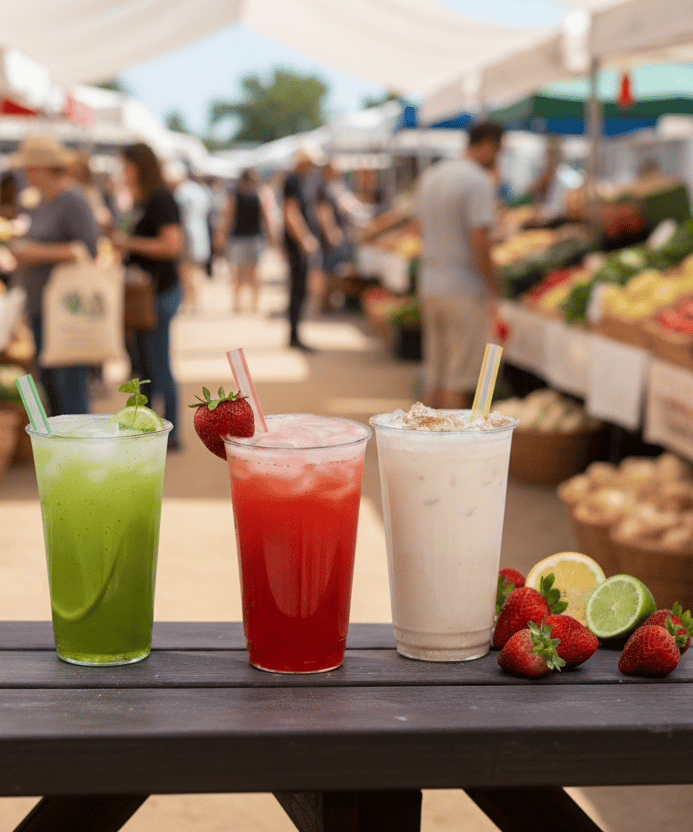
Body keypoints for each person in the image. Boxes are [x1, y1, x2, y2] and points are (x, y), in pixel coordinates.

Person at [416, 120, 504, 410]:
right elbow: (481, 241)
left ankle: (425, 447)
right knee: (458, 380)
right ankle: (449, 453)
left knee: (436, 377)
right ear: (489, 145)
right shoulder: (477, 181)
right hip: (463, 289)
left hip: (431, 284)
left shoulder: (431, 176)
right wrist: (494, 289)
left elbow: (420, 230)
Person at [9, 135, 99, 416]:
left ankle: (80, 454)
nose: (26, 174)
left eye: (30, 168)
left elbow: (88, 249)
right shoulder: (42, 201)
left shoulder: (72, 199)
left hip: (64, 309)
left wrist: (35, 252)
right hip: (42, 305)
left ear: (45, 168)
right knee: (51, 386)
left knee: (69, 387)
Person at [107, 142, 184, 449]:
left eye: (126, 165)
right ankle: (152, 426)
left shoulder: (160, 199)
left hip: (158, 292)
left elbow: (171, 246)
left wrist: (128, 242)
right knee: (149, 366)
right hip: (149, 293)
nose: (123, 171)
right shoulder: (146, 199)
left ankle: (171, 432)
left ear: (138, 166)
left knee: (158, 364)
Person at [214, 168, 272, 314]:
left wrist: (221, 235)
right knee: (254, 272)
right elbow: (266, 218)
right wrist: (271, 237)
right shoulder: (259, 195)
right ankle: (254, 303)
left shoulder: (235, 196)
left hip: (239, 238)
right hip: (254, 237)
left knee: (238, 272)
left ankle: (237, 303)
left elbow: (227, 218)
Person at [282, 151, 321, 351]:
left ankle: (295, 334)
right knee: (297, 289)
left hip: (297, 244)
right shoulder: (293, 181)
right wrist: (303, 239)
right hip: (296, 245)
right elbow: (291, 213)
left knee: (299, 290)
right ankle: (294, 336)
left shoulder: (299, 180)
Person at [168, 163, 211, 313]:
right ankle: (195, 301)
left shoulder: (181, 192)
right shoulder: (200, 190)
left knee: (185, 270)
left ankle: (188, 301)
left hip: (187, 235)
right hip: (200, 233)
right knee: (195, 269)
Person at [316, 160, 357, 310]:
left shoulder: (337, 185)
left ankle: (328, 302)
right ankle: (325, 303)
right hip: (333, 235)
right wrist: (330, 232)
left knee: (334, 270)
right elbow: (323, 212)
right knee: (330, 270)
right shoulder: (324, 187)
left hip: (340, 233)